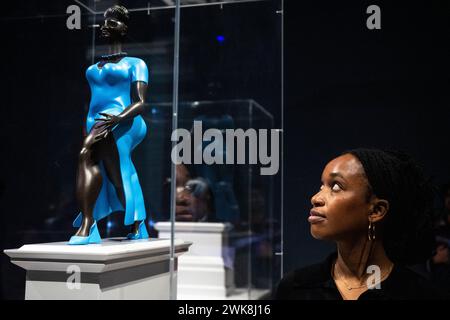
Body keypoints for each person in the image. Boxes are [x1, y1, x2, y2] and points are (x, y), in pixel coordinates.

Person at [275, 148, 449, 300]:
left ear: (376, 211)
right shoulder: (295, 288)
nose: (315, 198)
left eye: (335, 187)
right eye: (322, 186)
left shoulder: (419, 294)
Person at [68, 5, 150, 244]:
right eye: (104, 22)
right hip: (96, 121)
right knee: (106, 169)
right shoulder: (93, 68)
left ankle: (93, 224)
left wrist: (119, 118)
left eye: (112, 23)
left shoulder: (136, 64)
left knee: (107, 166)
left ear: (124, 28)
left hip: (125, 119)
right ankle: (127, 225)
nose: (105, 27)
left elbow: (141, 102)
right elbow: (93, 102)